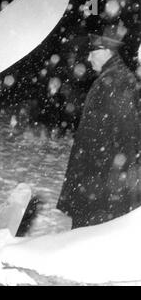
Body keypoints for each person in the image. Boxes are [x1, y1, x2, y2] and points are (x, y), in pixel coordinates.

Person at [56, 24, 141, 228]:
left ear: (105, 52)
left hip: (102, 182)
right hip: (98, 177)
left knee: (92, 234)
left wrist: (120, 180)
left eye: (92, 53)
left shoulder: (115, 82)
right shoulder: (112, 78)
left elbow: (128, 135)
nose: (88, 59)